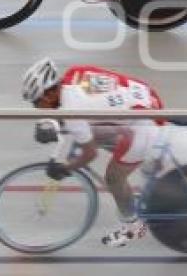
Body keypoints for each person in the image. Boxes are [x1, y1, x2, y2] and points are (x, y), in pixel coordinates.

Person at [22, 57, 164, 248]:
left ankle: (133, 227)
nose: (36, 108)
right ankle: (142, 164)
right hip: (146, 97)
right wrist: (58, 123)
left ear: (48, 95)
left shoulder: (73, 112)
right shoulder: (73, 74)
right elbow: (91, 106)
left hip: (146, 123)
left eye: (36, 102)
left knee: (113, 177)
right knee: (93, 135)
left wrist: (66, 168)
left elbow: (89, 154)